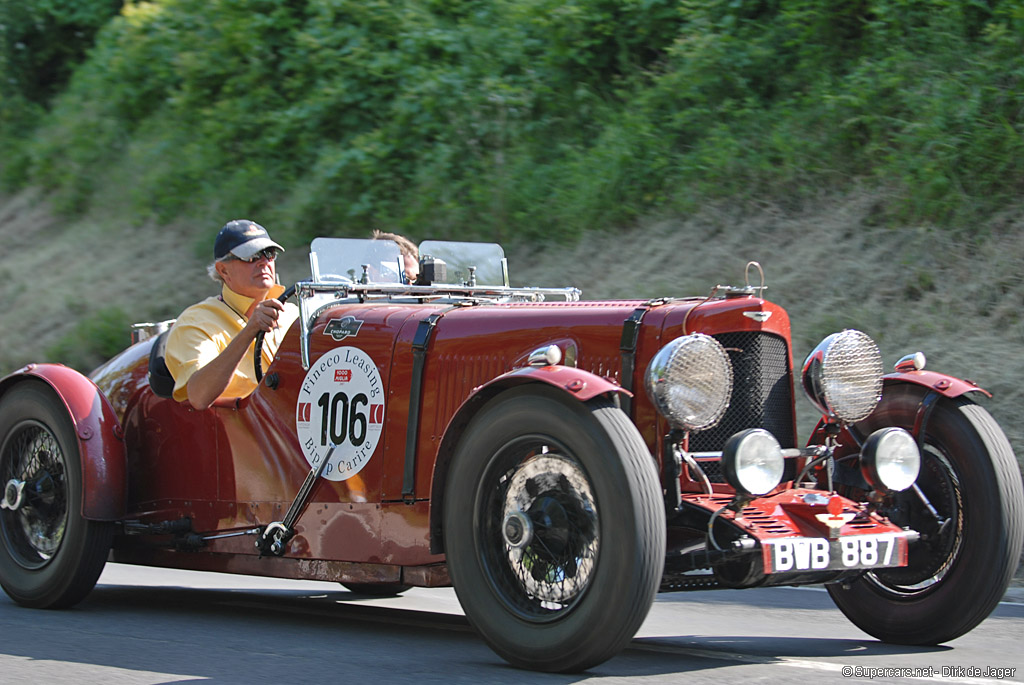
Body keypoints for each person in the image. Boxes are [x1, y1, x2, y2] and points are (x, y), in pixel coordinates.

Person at [165, 219, 299, 409]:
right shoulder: (195, 322)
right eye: (251, 256)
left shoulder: (293, 315)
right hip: (239, 432)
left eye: (269, 254)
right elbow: (199, 396)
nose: (263, 262)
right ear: (223, 270)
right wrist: (251, 329)